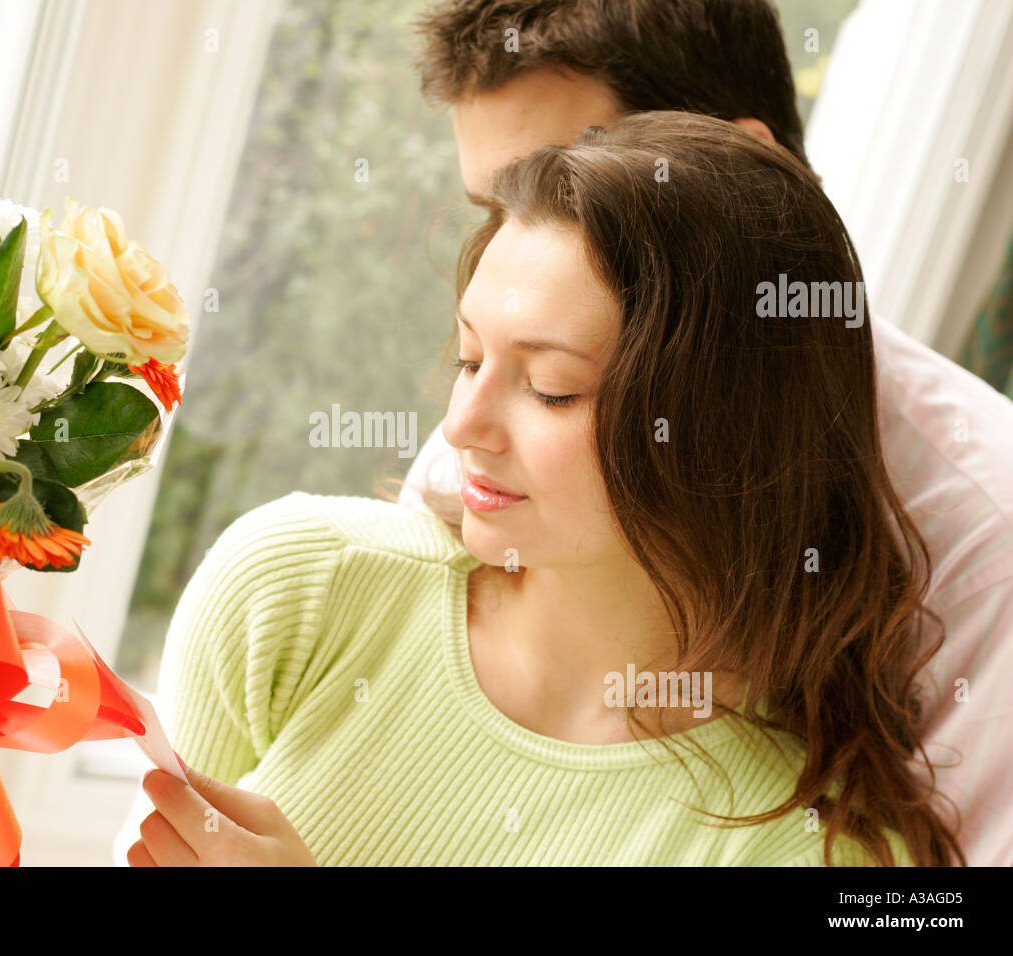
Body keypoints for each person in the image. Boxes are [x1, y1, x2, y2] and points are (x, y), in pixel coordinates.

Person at [122, 107, 965, 867]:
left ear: (720, 432)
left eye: (552, 388)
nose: (462, 426)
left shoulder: (811, 853)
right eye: (470, 359)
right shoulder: (295, 589)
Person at [396, 0, 1013, 867]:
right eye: (493, 207)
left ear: (746, 168)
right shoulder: (504, 406)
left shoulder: (990, 532)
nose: (516, 249)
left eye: (567, 177)